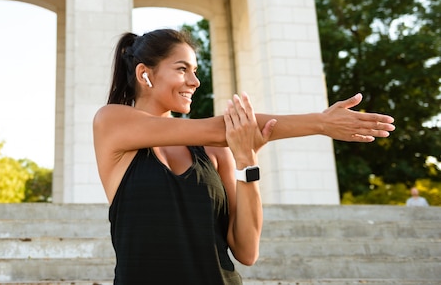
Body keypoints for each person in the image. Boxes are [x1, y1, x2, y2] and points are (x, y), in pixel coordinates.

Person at [92, 29, 395, 285]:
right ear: (145, 74)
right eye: (182, 69)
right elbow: (224, 127)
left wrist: (246, 163)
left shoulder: (215, 149)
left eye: (195, 71)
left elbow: (247, 252)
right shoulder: (112, 123)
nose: (195, 81)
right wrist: (320, 122)